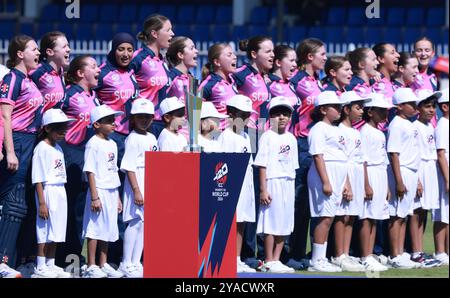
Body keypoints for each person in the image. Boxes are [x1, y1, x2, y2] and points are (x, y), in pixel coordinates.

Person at [95, 32, 140, 266]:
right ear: (113, 50)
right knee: (108, 195)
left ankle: (126, 255)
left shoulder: (132, 71)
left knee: (126, 197)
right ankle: (106, 258)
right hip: (110, 140)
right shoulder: (102, 72)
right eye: (121, 49)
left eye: (129, 50)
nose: (125, 54)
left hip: (128, 138)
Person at [0, 35, 42, 277]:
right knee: (14, 202)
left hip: (28, 141)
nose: (38, 53)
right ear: (19, 54)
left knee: (20, 204)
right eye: (34, 50)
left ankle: (10, 260)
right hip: (16, 140)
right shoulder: (12, 78)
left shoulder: (28, 79)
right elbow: (4, 116)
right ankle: (3, 262)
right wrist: (10, 151)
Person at [59, 55, 100, 270]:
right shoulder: (69, 95)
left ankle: (79, 260)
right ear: (80, 73)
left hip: (86, 156)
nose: (98, 70)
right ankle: (65, 260)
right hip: (70, 155)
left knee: (79, 212)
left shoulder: (93, 97)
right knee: (68, 209)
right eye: (93, 66)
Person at [289, 38, 326, 267]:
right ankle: (293, 253)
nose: (325, 56)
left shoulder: (319, 82)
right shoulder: (296, 81)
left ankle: (311, 253)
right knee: (300, 201)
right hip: (301, 143)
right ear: (310, 57)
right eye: (321, 53)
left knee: (315, 202)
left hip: (317, 144)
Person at [254, 96, 298, 273]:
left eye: (285, 114)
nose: (282, 117)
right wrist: (263, 190)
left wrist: (292, 189)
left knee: (285, 222)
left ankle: (277, 259)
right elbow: (262, 165)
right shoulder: (267, 137)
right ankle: (269, 259)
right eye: (277, 114)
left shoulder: (292, 138)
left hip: (287, 183)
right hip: (272, 182)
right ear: (270, 116)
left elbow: (293, 166)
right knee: (271, 222)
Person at [31, 109, 75, 278]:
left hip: (59, 190)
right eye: (59, 127)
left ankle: (51, 263)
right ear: (47, 128)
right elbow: (38, 179)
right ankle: (41, 266)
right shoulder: (41, 149)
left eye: (65, 127)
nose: (63, 131)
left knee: (56, 228)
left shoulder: (58, 148)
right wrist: (42, 203)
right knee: (44, 228)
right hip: (47, 190)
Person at [81, 105, 124, 278]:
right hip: (98, 191)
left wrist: (118, 197)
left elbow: (113, 171)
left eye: (114, 120)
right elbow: (90, 170)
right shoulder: (93, 144)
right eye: (109, 121)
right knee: (94, 228)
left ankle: (103, 263)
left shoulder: (113, 144)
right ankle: (91, 264)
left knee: (108, 227)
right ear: (97, 124)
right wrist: (94, 197)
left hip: (112, 191)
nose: (114, 124)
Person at [306, 91, 347, 272]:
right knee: (324, 217)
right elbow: (318, 156)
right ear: (323, 109)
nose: (339, 110)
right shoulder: (318, 129)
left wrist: (344, 182)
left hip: (337, 176)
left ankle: (321, 257)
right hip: (325, 176)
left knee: (330, 217)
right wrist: (326, 181)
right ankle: (316, 260)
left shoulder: (336, 129)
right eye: (335, 107)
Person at [217, 94, 257, 273]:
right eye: (242, 114)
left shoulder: (246, 137)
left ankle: (237, 258)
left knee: (241, 221)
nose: (246, 118)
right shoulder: (224, 136)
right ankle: (226, 257)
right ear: (231, 114)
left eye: (248, 114)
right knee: (231, 221)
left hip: (246, 183)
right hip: (231, 184)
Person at [119, 98, 158, 278]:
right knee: (134, 221)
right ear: (133, 118)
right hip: (137, 182)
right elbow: (129, 167)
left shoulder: (152, 137)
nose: (144, 120)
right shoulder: (132, 139)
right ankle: (126, 262)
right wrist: (136, 190)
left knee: (145, 224)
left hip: (149, 181)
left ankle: (136, 262)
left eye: (148, 117)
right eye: (140, 117)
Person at [331, 91, 368, 272]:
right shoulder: (339, 132)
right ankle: (338, 255)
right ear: (346, 109)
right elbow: (342, 160)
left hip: (357, 175)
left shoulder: (356, 132)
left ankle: (345, 253)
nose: (362, 111)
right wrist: (346, 184)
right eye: (358, 108)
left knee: (351, 216)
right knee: (342, 215)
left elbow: (361, 160)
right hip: (345, 177)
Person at [386, 88, 422, 269]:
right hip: (402, 171)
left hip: (411, 171)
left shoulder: (409, 123)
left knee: (405, 215)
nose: (415, 107)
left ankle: (400, 253)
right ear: (399, 106)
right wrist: (399, 181)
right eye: (411, 104)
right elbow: (393, 154)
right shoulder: (397, 124)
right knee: (397, 215)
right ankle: (395, 254)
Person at [409, 89, 442, 267]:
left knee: (424, 212)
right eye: (427, 106)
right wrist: (418, 180)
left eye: (433, 107)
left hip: (430, 168)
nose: (431, 110)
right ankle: (415, 252)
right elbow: (414, 153)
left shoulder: (430, 126)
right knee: (416, 211)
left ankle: (420, 250)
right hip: (420, 167)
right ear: (418, 108)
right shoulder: (415, 127)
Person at [359, 93, 392, 271]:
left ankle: (370, 253)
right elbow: (363, 160)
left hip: (380, 174)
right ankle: (365, 255)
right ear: (370, 112)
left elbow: (384, 161)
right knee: (367, 217)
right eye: (380, 110)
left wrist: (386, 185)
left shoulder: (379, 133)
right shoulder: (365, 132)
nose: (384, 114)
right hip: (370, 174)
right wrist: (366, 184)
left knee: (375, 218)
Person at [130, 14, 174, 138]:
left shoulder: (163, 61)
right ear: (154, 34)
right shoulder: (138, 58)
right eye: (168, 30)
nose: (172, 33)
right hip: (144, 123)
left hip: (162, 122)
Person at [165, 36, 199, 140]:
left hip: (192, 135)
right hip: (175, 135)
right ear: (180, 55)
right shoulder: (170, 77)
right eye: (192, 48)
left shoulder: (193, 79)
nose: (196, 51)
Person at [199, 43, 238, 129]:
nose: (235, 57)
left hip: (234, 134)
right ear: (217, 62)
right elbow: (195, 111)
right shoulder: (209, 84)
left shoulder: (233, 80)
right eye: (229, 55)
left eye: (234, 53)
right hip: (217, 136)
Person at [30, 31, 71, 112]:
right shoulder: (37, 72)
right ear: (50, 52)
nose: (69, 49)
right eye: (64, 46)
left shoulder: (61, 71)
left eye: (68, 46)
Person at [433, 88, 449, 265]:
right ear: (445, 107)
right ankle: (439, 251)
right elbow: (441, 154)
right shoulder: (443, 125)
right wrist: (447, 178)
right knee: (442, 213)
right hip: (446, 172)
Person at [268, 45, 299, 134]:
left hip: (291, 138)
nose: (295, 64)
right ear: (278, 62)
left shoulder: (291, 84)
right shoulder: (269, 84)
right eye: (291, 60)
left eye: (295, 61)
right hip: (275, 137)